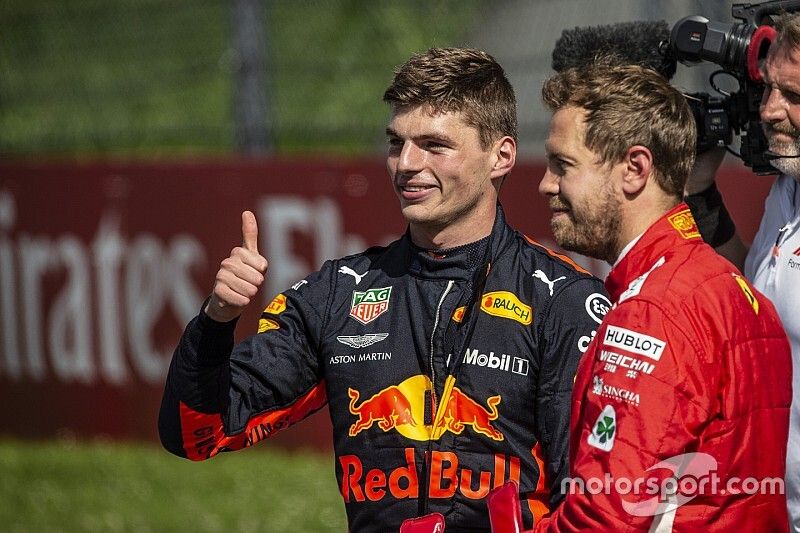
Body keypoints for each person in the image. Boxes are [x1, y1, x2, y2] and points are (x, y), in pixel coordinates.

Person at [158, 47, 609, 532]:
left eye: (434, 145)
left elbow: (596, 499)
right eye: (396, 144)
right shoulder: (335, 295)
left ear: (500, 156)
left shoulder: (563, 301)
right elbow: (194, 435)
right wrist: (217, 318)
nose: (406, 164)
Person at [488, 60, 791, 531]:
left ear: (635, 168)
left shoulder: (653, 309)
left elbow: (606, 516)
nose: (545, 184)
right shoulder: (736, 289)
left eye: (562, 165)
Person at [684, 12, 800, 531]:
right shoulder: (788, 188)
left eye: (794, 96)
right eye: (769, 89)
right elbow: (750, 302)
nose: (770, 111)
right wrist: (701, 193)